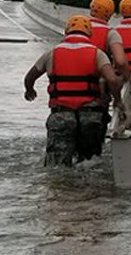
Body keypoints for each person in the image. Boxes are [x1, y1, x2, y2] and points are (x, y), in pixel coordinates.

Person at [23, 15, 122, 166]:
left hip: (61, 115)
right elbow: (113, 80)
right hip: (90, 116)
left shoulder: (52, 53)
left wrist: (29, 90)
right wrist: (118, 101)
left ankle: (61, 188)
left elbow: (29, 77)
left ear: (66, 31)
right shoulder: (97, 53)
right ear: (89, 33)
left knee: (56, 167)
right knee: (90, 164)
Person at [86, 0, 129, 77]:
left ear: (91, 9)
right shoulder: (111, 33)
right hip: (97, 80)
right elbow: (120, 61)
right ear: (109, 14)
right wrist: (128, 78)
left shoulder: (75, 28)